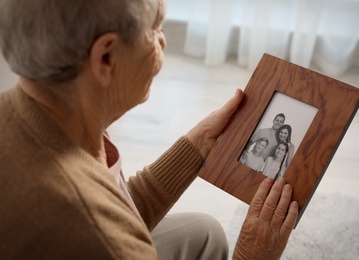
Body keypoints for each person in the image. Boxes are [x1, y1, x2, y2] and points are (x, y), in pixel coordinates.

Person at [0, 0, 298, 259]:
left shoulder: (25, 114)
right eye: (155, 29)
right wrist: (252, 255)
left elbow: (111, 208)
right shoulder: (101, 241)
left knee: (204, 233)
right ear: (105, 57)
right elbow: (101, 227)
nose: (163, 41)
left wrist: (197, 146)